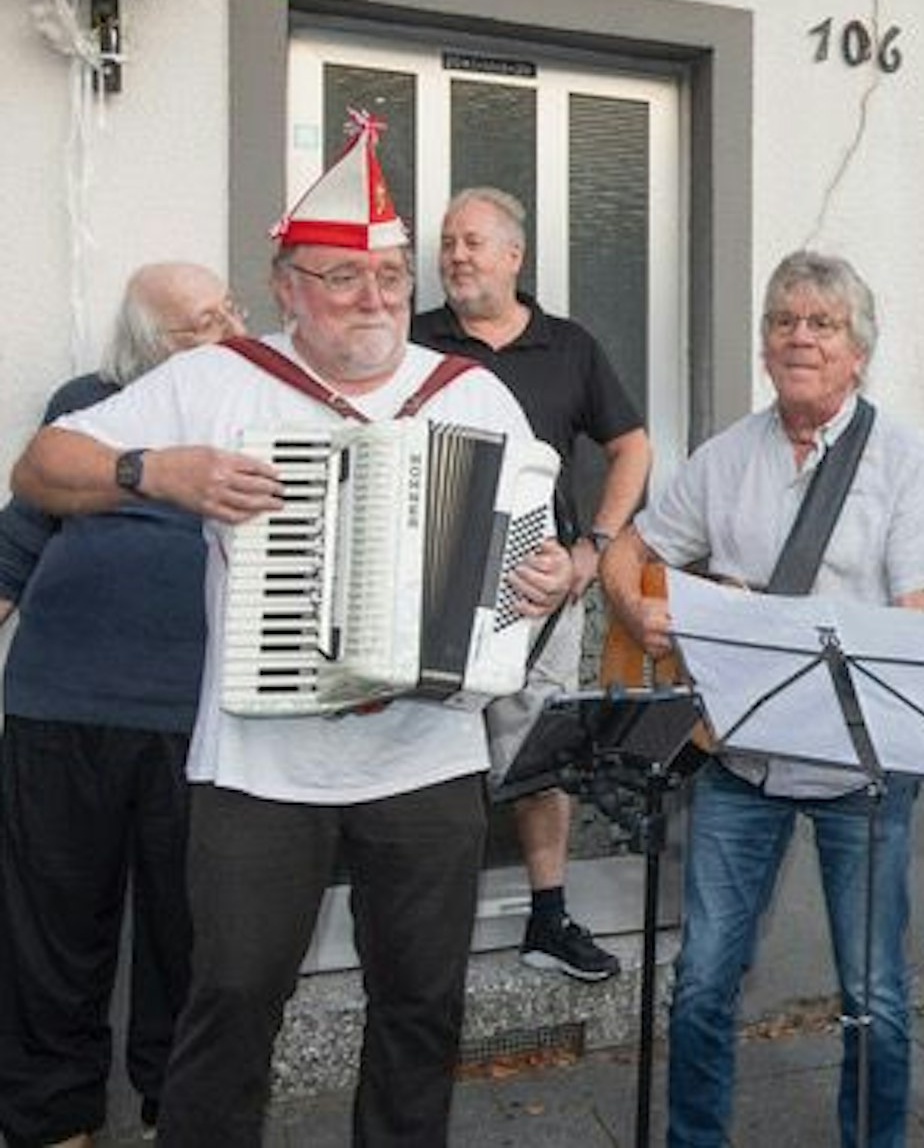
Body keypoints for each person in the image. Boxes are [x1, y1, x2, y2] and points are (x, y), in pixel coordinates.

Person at [8, 116, 574, 1148]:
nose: (375, 300)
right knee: (227, 1007)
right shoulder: (216, 380)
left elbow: (533, 545)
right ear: (286, 285)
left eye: (392, 277)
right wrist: (154, 469)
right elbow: (40, 465)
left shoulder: (471, 391)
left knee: (420, 1007)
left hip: (426, 759)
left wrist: (539, 583)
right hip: (260, 767)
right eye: (343, 277)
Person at [600, 251, 924, 1148]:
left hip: (859, 768)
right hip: (738, 758)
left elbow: (910, 630)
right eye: (783, 321)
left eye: (822, 323)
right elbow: (626, 546)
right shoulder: (725, 459)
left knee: (874, 995)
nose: (800, 336)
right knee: (703, 982)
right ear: (764, 346)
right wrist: (637, 610)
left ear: (858, 351)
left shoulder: (908, 462)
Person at [0, 264, 244, 1148]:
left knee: (194, 941)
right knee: (50, 938)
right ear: (152, 350)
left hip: (198, 719)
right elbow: (16, 541)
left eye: (230, 309)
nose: (231, 326)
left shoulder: (255, 414)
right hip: (59, 704)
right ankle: (52, 1127)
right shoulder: (85, 406)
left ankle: (172, 1120)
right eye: (203, 322)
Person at [413, 186, 651, 984]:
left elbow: (634, 448)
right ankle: (423, 928)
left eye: (473, 241)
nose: (455, 255)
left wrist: (593, 552)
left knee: (536, 755)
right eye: (447, 242)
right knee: (429, 756)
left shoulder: (570, 347)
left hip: (540, 592)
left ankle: (547, 919)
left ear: (514, 256)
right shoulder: (415, 344)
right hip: (433, 591)